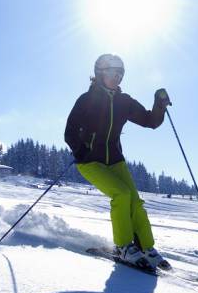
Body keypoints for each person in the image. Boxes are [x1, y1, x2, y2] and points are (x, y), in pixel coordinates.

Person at [64, 54, 171, 268]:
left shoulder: (124, 102)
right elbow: (70, 132)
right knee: (120, 195)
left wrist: (159, 105)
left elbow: (150, 121)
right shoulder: (86, 100)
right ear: (100, 73)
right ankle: (123, 246)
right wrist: (80, 148)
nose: (117, 78)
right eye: (113, 73)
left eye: (120, 75)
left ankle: (146, 247)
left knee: (134, 201)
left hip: (115, 160)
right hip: (90, 161)